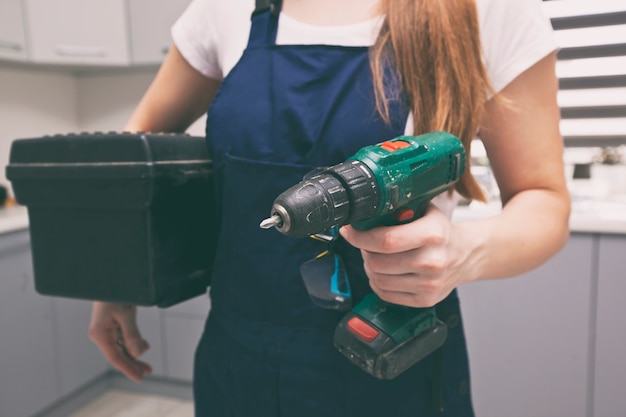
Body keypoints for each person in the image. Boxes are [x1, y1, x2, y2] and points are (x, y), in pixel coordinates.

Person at [89, 0, 571, 415]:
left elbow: (545, 201)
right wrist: (117, 276)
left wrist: (466, 250)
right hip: (240, 362)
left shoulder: (489, 9)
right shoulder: (226, 7)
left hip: (390, 360)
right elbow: (138, 155)